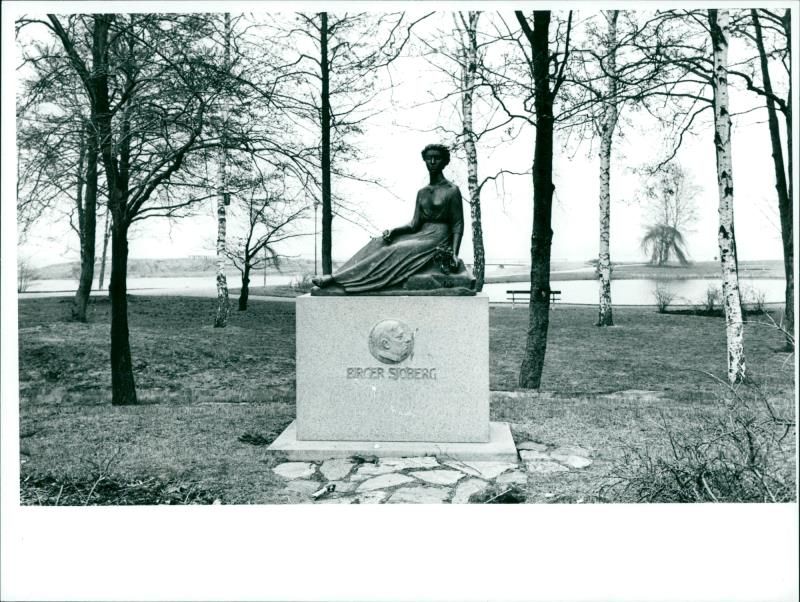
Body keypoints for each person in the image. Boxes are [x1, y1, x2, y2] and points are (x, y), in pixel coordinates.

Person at [311, 143, 465, 293]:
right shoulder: (422, 192)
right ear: (424, 160)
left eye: (437, 158)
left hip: (437, 238)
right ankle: (338, 276)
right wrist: (394, 231)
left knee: (396, 249)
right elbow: (414, 224)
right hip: (420, 234)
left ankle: (337, 279)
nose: (432, 162)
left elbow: (458, 224)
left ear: (444, 161)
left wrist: (454, 253)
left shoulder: (451, 190)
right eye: (429, 158)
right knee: (378, 242)